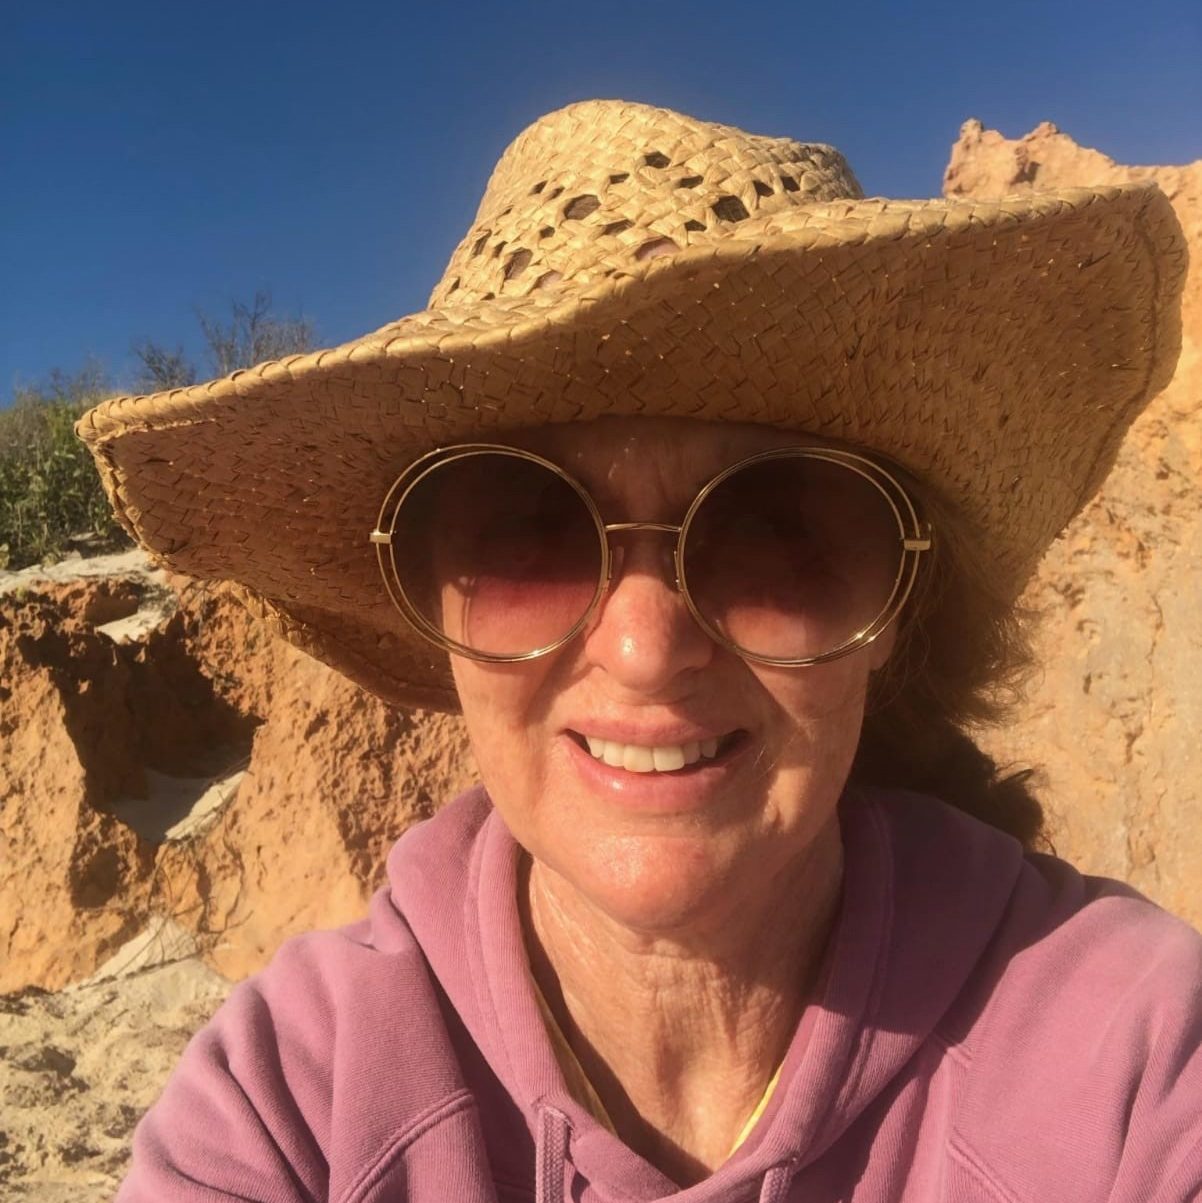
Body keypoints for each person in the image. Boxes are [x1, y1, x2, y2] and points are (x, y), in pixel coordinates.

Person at [79, 99, 1200, 1201]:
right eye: (530, 531)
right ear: (430, 597)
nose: (642, 647)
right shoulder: (290, 1106)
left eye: (774, 534)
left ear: (899, 598)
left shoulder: (1136, 1058)